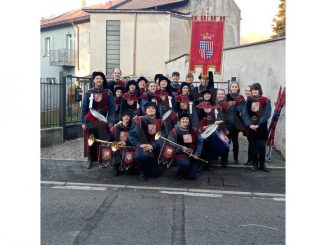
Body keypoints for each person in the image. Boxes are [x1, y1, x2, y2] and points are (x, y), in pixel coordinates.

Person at [81, 71, 115, 169]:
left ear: (103, 80)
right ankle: (90, 158)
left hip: (102, 119)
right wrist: (83, 122)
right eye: (97, 78)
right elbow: (84, 108)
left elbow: (112, 108)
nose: (99, 80)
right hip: (90, 119)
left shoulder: (108, 93)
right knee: (91, 139)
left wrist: (110, 121)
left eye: (100, 78)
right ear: (94, 80)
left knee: (102, 139)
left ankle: (101, 158)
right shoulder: (89, 93)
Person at [128, 102, 168, 181]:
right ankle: (141, 171)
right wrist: (139, 145)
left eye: (153, 108)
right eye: (149, 108)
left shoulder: (161, 122)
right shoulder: (139, 120)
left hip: (155, 148)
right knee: (141, 156)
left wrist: (153, 146)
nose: (151, 109)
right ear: (145, 111)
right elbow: (131, 136)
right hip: (142, 146)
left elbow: (164, 137)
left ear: (156, 110)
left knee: (155, 174)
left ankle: (150, 166)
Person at [242, 83, 271, 172]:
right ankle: (255, 164)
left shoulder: (265, 100)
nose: (254, 91)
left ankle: (262, 164)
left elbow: (267, 114)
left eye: (256, 89)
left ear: (259, 90)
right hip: (251, 128)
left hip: (261, 128)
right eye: (253, 89)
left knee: (261, 146)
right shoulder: (249, 101)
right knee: (253, 147)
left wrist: (258, 124)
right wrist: (250, 125)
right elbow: (245, 114)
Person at [167, 112, 203, 180]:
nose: (185, 120)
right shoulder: (174, 131)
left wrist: (197, 154)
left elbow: (200, 141)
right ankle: (180, 172)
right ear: (180, 120)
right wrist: (181, 148)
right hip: (180, 154)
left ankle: (188, 169)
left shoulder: (194, 130)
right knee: (184, 164)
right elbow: (171, 144)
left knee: (192, 177)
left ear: (189, 120)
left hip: (192, 154)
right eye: (183, 119)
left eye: (187, 119)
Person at [225, 81, 245, 165]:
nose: (234, 88)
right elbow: (224, 107)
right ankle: (225, 159)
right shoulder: (227, 96)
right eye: (232, 87)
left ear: (238, 88)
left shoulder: (241, 97)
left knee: (235, 141)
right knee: (226, 141)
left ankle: (236, 159)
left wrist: (232, 106)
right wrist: (233, 106)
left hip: (236, 123)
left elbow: (240, 109)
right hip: (227, 122)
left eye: (235, 87)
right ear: (230, 88)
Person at [109, 111, 133, 176]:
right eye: (124, 116)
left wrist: (126, 142)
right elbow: (110, 138)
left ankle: (129, 167)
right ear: (122, 117)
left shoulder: (133, 127)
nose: (126, 117)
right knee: (115, 151)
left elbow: (134, 138)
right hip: (118, 146)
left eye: (128, 116)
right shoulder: (115, 127)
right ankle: (116, 169)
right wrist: (115, 143)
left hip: (129, 146)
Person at [216, 89, 232, 167]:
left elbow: (231, 119)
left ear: (224, 95)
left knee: (225, 143)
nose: (220, 95)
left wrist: (227, 129)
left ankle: (224, 161)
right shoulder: (213, 104)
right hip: (215, 127)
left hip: (225, 127)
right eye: (219, 94)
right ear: (216, 95)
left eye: (222, 94)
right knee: (216, 143)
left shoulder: (228, 105)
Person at [244, 85, 253, 165]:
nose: (247, 92)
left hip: (252, 125)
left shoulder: (252, 100)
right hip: (248, 125)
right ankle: (250, 160)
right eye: (246, 90)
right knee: (250, 143)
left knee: (252, 143)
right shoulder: (247, 100)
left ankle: (251, 160)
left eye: (249, 91)